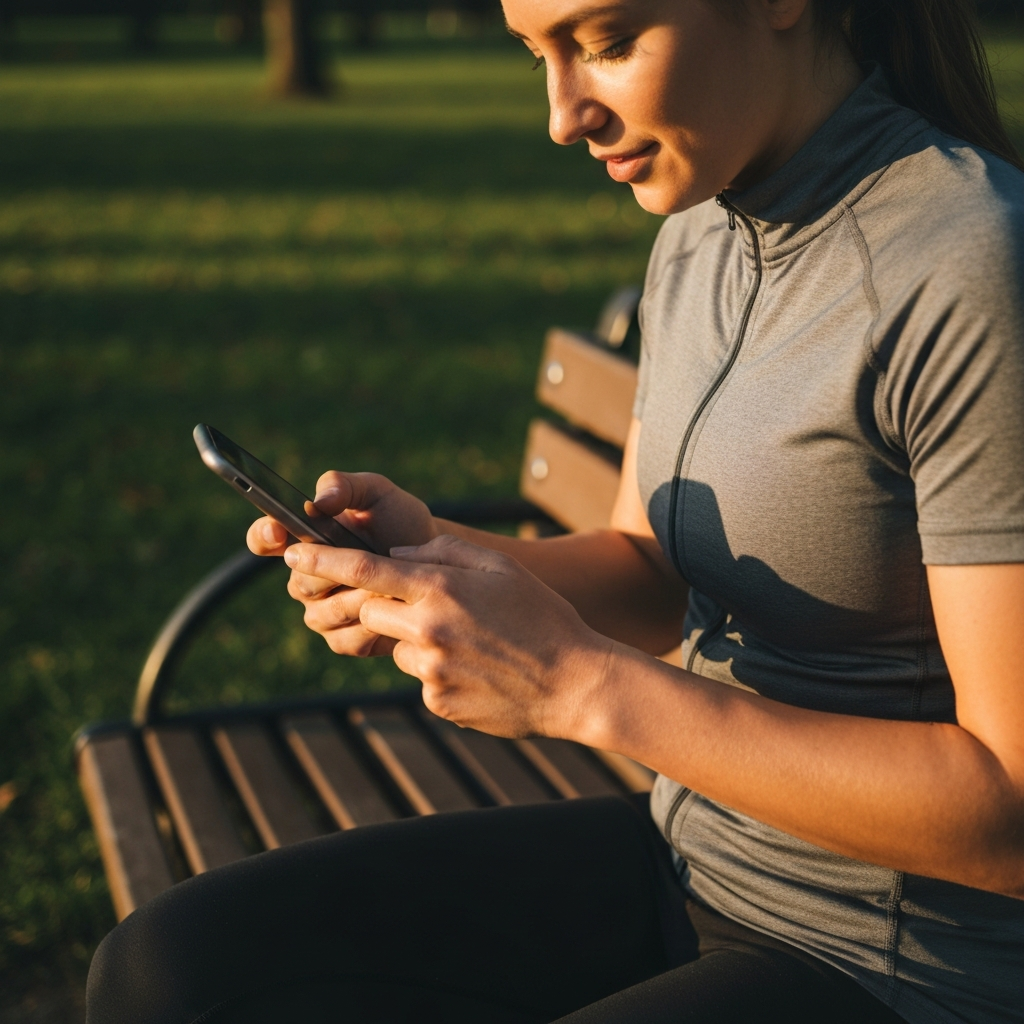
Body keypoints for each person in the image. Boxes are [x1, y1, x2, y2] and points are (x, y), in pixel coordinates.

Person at [86, 1, 1024, 1022]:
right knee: (168, 970)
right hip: (691, 858)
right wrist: (430, 554)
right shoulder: (698, 232)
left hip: (899, 965)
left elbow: (1009, 812)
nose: (561, 115)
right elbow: (649, 564)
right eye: (538, 54)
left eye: (608, 43)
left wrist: (578, 687)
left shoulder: (969, 265)